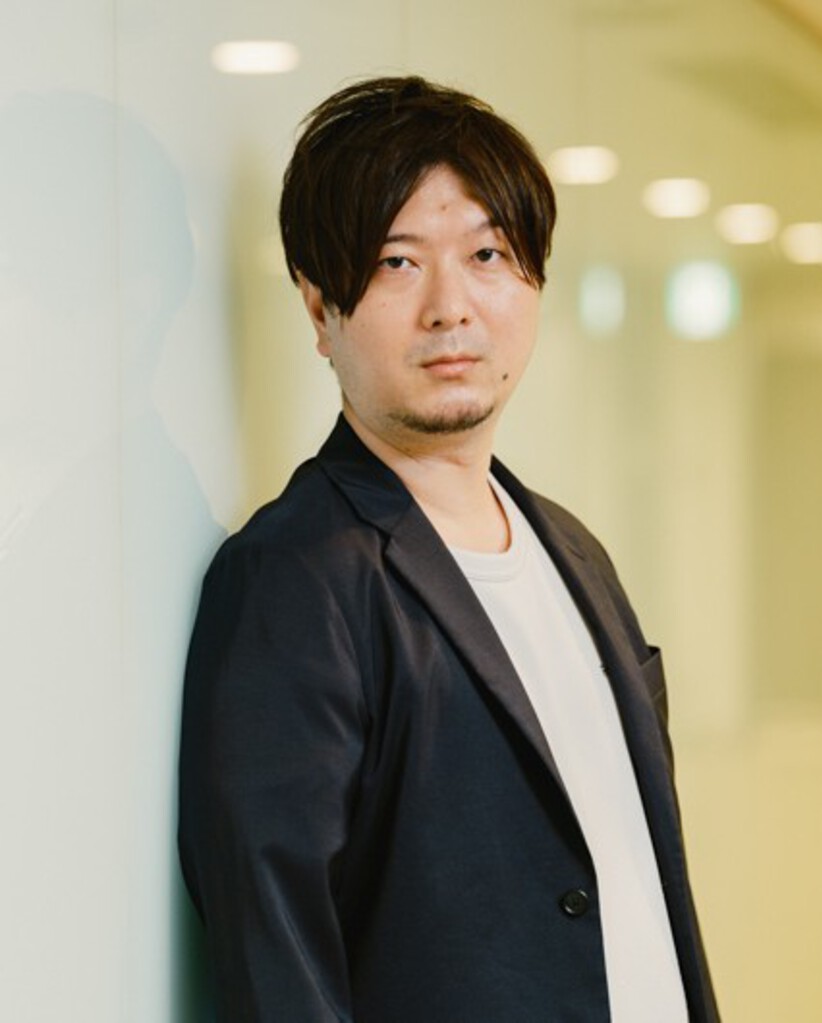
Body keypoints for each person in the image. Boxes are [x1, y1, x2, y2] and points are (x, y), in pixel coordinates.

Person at [178, 76, 719, 1022]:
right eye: (396, 262)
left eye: (486, 254)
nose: (450, 306)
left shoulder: (573, 551)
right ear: (319, 307)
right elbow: (277, 960)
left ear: (533, 279)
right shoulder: (296, 576)